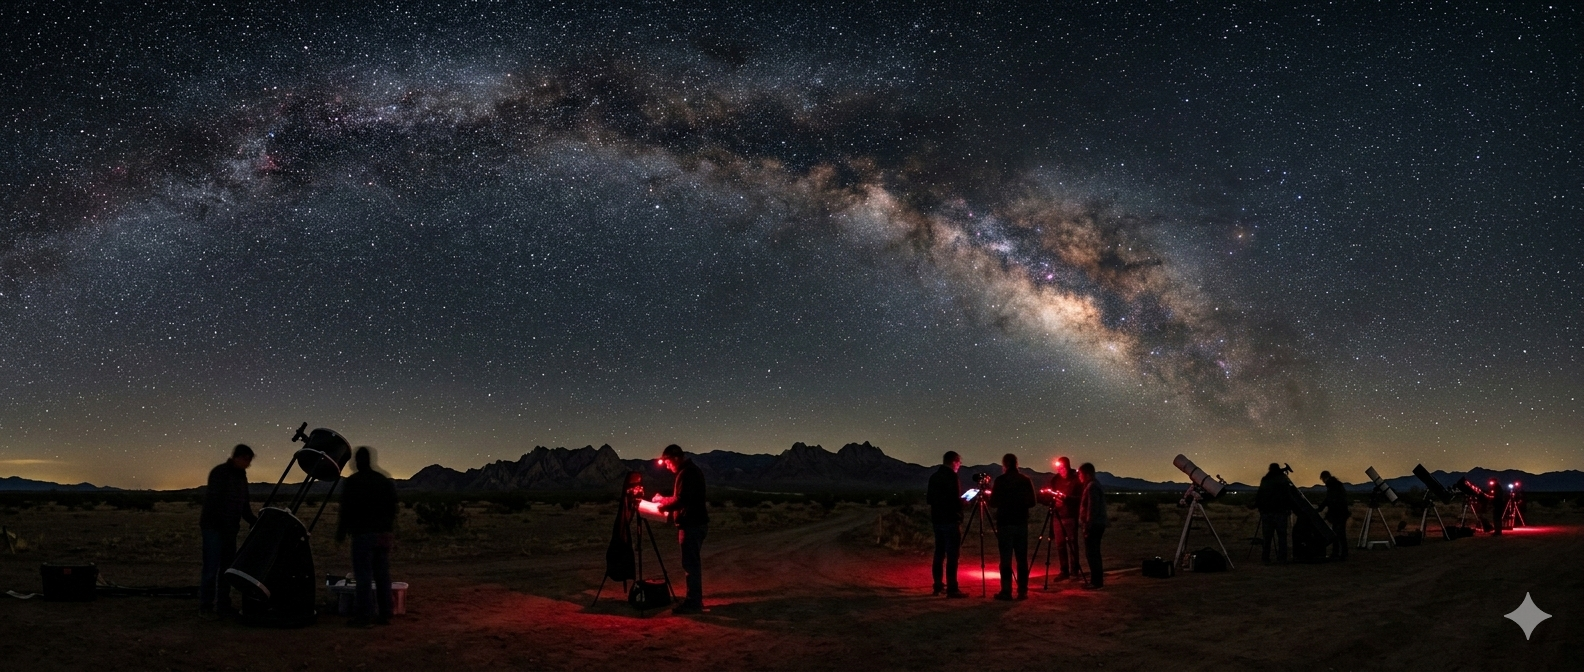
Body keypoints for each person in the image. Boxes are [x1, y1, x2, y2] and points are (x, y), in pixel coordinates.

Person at [336, 447, 399, 627]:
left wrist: (341, 531)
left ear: (357, 462)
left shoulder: (353, 482)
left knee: (363, 576)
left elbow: (346, 509)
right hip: (383, 534)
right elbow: (393, 506)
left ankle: (365, 616)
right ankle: (385, 613)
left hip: (363, 534)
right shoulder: (383, 480)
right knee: (382, 575)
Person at [199, 444, 258, 619]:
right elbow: (215, 501)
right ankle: (206, 607)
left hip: (229, 530)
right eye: (247, 460)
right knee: (211, 568)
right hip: (214, 529)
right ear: (238, 457)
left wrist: (254, 521)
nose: (248, 464)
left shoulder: (241, 477)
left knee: (226, 569)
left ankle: (223, 605)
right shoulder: (220, 473)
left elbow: (243, 505)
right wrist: (224, 524)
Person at [654, 444, 709, 614]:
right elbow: (681, 497)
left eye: (668, 462)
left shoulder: (688, 473)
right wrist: (663, 499)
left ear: (676, 458)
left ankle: (693, 602)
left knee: (690, 564)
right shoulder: (689, 472)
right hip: (694, 523)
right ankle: (694, 599)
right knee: (691, 563)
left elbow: (682, 500)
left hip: (692, 524)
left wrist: (662, 506)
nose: (668, 466)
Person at [989, 453, 1035, 601]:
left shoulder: (1000, 481)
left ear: (1005, 465)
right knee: (1022, 559)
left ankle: (1006, 591)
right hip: (1021, 523)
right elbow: (1033, 502)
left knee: (1006, 559)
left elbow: (993, 502)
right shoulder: (1025, 480)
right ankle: (1022, 591)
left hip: (1005, 523)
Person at [926, 451, 967, 598]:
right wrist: (963, 502)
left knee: (939, 553)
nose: (959, 466)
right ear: (954, 462)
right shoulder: (952, 477)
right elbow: (955, 501)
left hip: (937, 520)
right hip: (950, 520)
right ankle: (952, 588)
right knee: (952, 555)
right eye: (959, 463)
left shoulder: (934, 477)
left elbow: (929, 499)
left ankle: (937, 585)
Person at [1046, 456, 1082, 581]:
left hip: (1071, 516)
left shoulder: (1076, 479)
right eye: (1058, 468)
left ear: (1067, 466)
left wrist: (1066, 498)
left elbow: (1081, 499)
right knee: (1060, 545)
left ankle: (1074, 571)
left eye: (1061, 467)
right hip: (1058, 516)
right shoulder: (1055, 479)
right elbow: (1051, 494)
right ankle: (1064, 571)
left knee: (1072, 544)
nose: (1060, 470)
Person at [1077, 462, 1107, 589]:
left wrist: (1087, 526)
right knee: (1094, 553)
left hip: (1094, 525)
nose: (1079, 477)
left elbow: (1092, 508)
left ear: (1086, 474)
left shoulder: (1091, 487)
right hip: (1097, 523)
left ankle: (1096, 582)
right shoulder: (1093, 485)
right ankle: (1096, 581)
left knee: (1092, 553)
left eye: (1080, 474)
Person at [1255, 463, 1292, 564]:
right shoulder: (1282, 479)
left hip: (1267, 513)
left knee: (1267, 537)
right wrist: (1288, 508)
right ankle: (1282, 558)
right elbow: (1288, 495)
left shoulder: (1266, 479)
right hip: (1280, 513)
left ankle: (1265, 558)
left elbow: (1260, 495)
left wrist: (1260, 508)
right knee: (1282, 537)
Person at [1314, 471, 1350, 561]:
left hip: (1338, 514)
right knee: (1339, 534)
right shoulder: (1335, 485)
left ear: (1324, 478)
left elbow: (1331, 500)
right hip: (1341, 513)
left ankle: (1340, 554)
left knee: (1339, 534)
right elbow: (1329, 500)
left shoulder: (1332, 486)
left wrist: (1322, 509)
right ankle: (1340, 553)